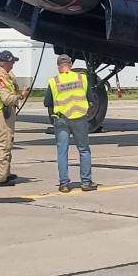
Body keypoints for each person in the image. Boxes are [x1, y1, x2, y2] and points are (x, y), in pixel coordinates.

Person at [47, 54, 97, 192]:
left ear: (59, 68)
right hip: (80, 118)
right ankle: (86, 182)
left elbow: (47, 102)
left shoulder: (54, 81)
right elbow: (91, 98)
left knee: (62, 152)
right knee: (84, 150)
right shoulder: (82, 78)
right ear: (71, 65)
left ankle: (64, 184)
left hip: (62, 119)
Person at [0, 50, 29, 186]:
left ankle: (6, 172)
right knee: (4, 145)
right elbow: (6, 98)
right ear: (7, 63)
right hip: (2, 113)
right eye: (12, 62)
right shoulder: (1, 77)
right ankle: (0, 178)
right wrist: (21, 96)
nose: (13, 65)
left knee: (7, 142)